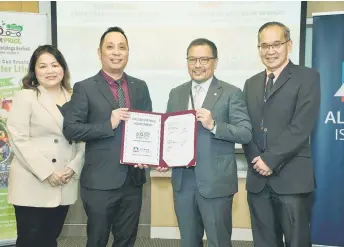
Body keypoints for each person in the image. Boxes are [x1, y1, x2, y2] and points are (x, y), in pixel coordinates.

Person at [62, 26, 152, 247]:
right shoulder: (85, 88)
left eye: (122, 47)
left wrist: (148, 156)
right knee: (97, 240)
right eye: (110, 47)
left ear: (128, 53)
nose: (116, 52)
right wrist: (107, 125)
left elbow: (149, 128)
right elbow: (71, 129)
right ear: (99, 52)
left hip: (133, 180)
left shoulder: (140, 87)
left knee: (127, 240)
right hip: (99, 182)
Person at [161, 38, 252, 247]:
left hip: (216, 183)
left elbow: (245, 133)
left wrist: (214, 125)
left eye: (204, 59)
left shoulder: (231, 93)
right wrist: (162, 158)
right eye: (192, 59)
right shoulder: (176, 93)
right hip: (183, 182)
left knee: (218, 242)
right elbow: (168, 133)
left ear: (215, 62)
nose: (198, 65)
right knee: (188, 241)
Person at [242, 22, 320, 247]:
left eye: (276, 44)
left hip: (292, 179)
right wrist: (258, 160)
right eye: (264, 45)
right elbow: (246, 126)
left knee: (297, 242)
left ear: (289, 45)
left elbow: (301, 126)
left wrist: (270, 159)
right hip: (258, 181)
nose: (270, 51)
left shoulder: (308, 77)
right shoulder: (251, 83)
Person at [6, 45, 85, 247]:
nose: (50, 71)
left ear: (63, 68)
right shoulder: (26, 97)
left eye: (54, 65)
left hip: (64, 180)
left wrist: (73, 167)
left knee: (50, 238)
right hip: (33, 181)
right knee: (30, 240)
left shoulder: (75, 97)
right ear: (35, 71)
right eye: (43, 66)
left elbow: (83, 138)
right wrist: (48, 172)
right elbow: (18, 139)